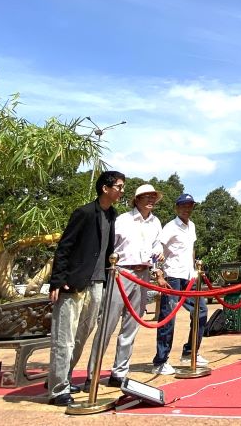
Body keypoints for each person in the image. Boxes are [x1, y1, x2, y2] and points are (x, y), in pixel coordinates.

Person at [46, 170, 123, 406]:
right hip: (74, 282)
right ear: (105, 188)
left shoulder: (112, 215)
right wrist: (57, 279)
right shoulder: (85, 212)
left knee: (81, 335)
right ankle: (58, 390)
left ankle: (64, 378)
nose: (122, 191)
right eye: (119, 186)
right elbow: (64, 246)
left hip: (97, 283)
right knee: (65, 337)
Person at [84, 183, 162, 390]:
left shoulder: (156, 222)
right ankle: (92, 374)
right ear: (137, 200)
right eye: (146, 196)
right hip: (121, 272)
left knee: (131, 326)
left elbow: (157, 244)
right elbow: (109, 246)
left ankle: (119, 372)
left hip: (143, 274)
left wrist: (158, 253)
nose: (151, 200)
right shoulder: (123, 220)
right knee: (107, 325)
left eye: (153, 197)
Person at [152, 193, 208, 374]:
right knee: (168, 317)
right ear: (176, 208)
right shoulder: (170, 227)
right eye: (183, 206)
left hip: (188, 276)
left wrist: (194, 270)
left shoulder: (192, 226)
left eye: (190, 205)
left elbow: (191, 249)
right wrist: (158, 272)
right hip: (172, 276)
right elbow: (158, 247)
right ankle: (160, 361)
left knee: (201, 311)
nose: (186, 209)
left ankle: (190, 351)